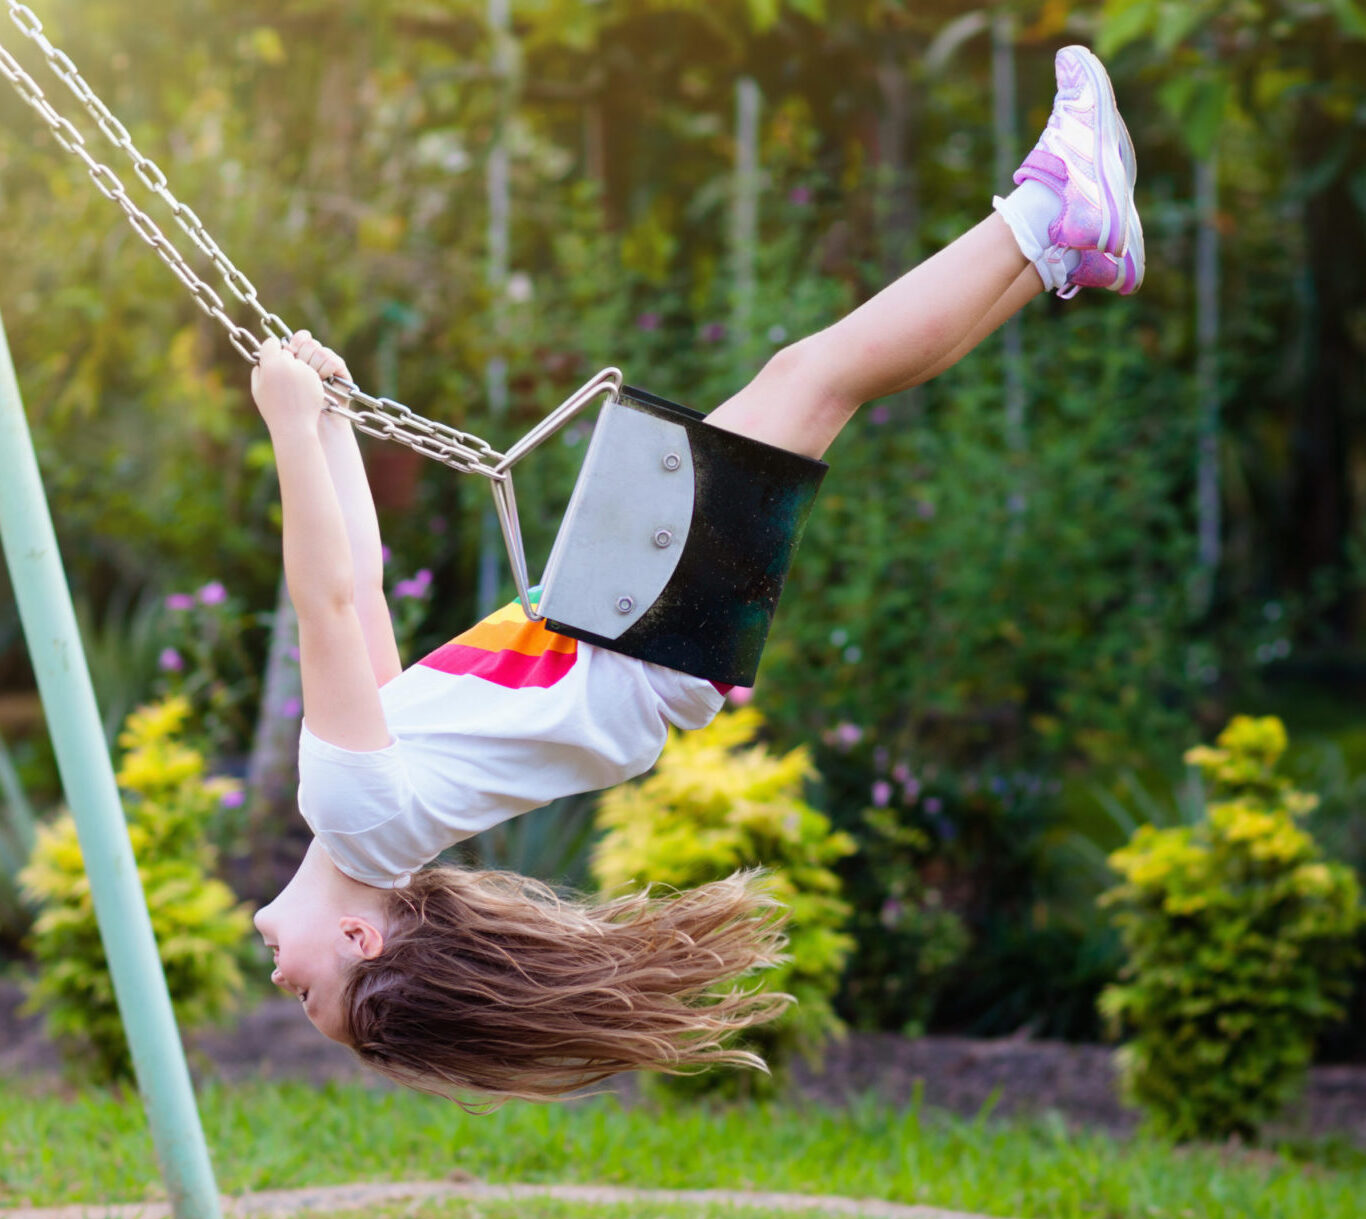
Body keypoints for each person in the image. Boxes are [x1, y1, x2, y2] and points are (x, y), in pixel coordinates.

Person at [251, 45, 1144, 1101]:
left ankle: (1060, 248)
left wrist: (333, 424)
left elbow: (361, 579)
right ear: (359, 933)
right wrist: (283, 423)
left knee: (823, 386)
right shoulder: (354, 813)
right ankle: (1050, 211)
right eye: (309, 994)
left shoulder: (380, 815)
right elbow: (329, 596)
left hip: (645, 639)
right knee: (814, 374)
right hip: (630, 621)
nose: (279, 979)